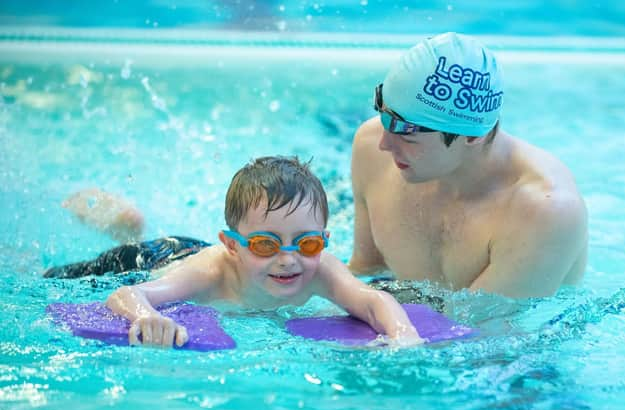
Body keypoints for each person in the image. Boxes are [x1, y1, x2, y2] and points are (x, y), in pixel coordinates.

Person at [46, 156, 420, 347]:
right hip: (159, 257)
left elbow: (372, 300)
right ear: (232, 246)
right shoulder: (212, 271)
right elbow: (127, 294)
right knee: (48, 278)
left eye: (306, 243)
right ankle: (124, 225)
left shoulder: (319, 268)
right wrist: (145, 317)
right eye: (265, 245)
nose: (288, 259)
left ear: (323, 239)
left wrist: (403, 335)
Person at [348, 32, 588, 298]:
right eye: (383, 114)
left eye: (404, 131)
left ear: (473, 135)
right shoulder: (370, 148)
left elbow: (481, 333)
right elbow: (366, 271)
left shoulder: (544, 210)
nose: (384, 143)